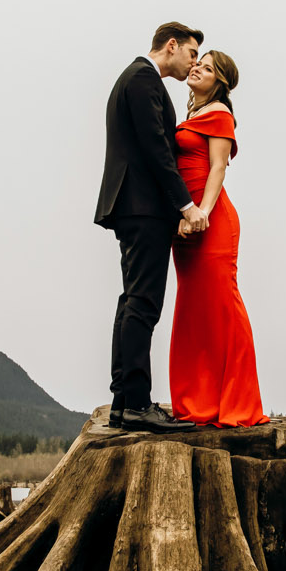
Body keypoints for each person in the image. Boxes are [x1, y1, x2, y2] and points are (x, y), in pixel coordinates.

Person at [96, 22, 210, 432]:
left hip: (132, 206)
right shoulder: (143, 79)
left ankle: (123, 401)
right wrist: (185, 205)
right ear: (172, 46)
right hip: (143, 207)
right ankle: (138, 404)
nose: (194, 63)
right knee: (144, 304)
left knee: (131, 301)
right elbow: (156, 150)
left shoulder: (133, 78)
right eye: (193, 55)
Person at [168, 50, 267, 427]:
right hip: (184, 226)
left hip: (211, 224)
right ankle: (198, 402)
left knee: (221, 306)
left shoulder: (220, 114)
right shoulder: (192, 115)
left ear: (219, 83)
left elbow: (218, 168)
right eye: (197, 62)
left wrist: (203, 214)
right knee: (194, 312)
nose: (196, 68)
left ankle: (236, 402)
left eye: (206, 68)